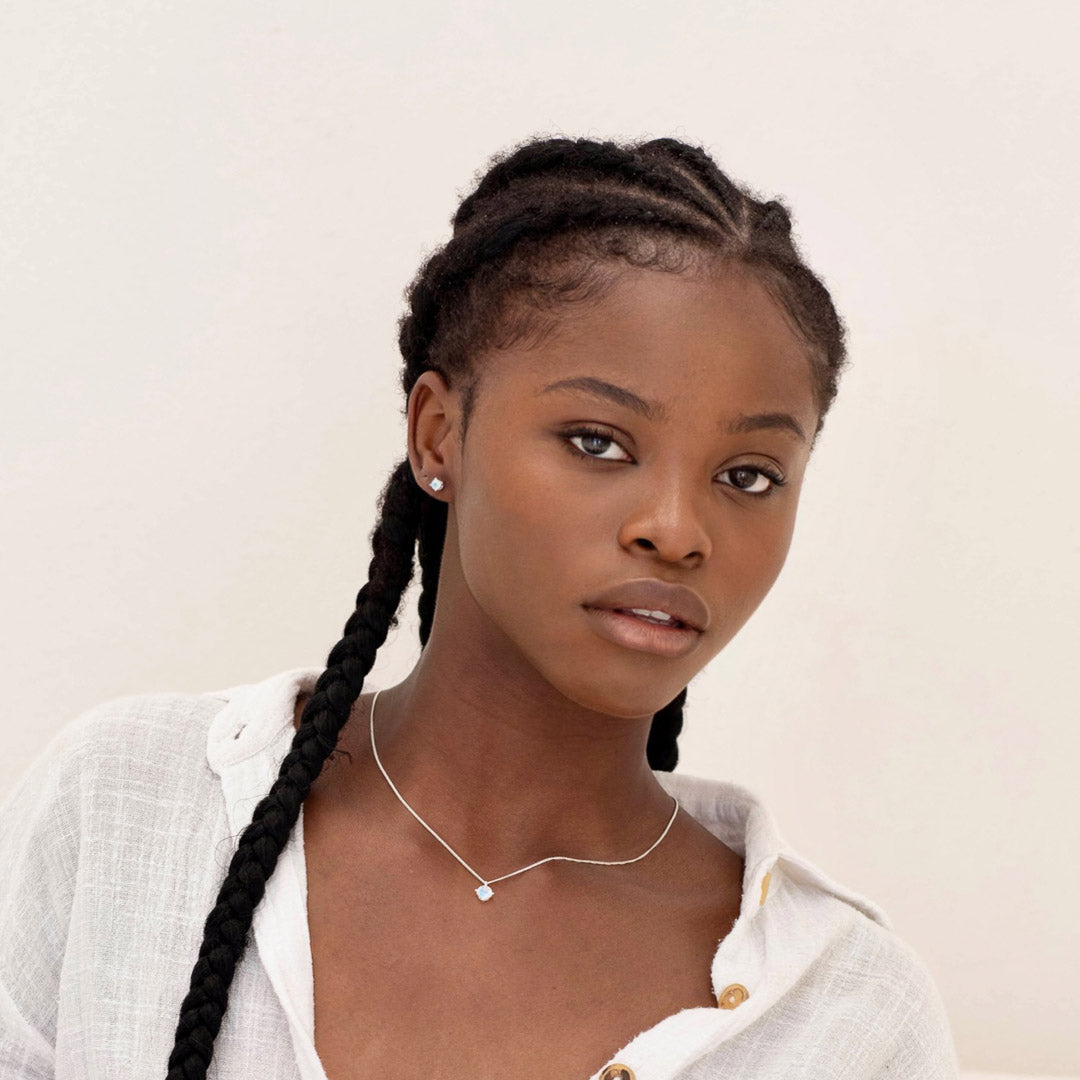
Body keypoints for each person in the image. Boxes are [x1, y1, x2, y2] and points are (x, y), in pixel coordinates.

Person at [0, 136, 959, 1080]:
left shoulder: (847, 1016)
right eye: (597, 441)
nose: (677, 530)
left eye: (748, 475)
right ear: (437, 435)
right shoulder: (129, 811)